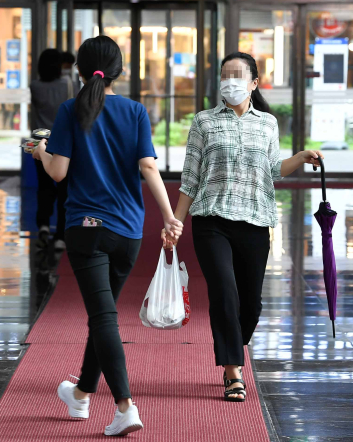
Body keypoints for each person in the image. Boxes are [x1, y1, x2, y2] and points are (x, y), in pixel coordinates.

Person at [33, 36, 182, 435]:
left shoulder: (70, 109)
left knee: (103, 318)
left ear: (78, 71)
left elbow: (58, 172)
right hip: (129, 233)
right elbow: (149, 169)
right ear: (120, 71)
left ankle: (125, 407)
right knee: (104, 318)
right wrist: (169, 218)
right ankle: (80, 394)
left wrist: (40, 152)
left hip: (87, 230)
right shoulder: (135, 111)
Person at [162, 51, 323, 402]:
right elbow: (190, 177)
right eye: (225, 75)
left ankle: (234, 341)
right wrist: (175, 221)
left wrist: (301, 157)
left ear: (253, 83)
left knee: (251, 304)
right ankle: (232, 370)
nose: (230, 81)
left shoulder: (267, 123)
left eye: (238, 75)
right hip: (211, 219)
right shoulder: (203, 121)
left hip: (255, 220)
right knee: (224, 290)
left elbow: (273, 168)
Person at [30, 49, 74, 249]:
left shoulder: (35, 86)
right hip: (62, 142)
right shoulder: (67, 84)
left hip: (40, 142)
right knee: (64, 190)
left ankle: (44, 226)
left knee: (44, 187)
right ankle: (60, 236)